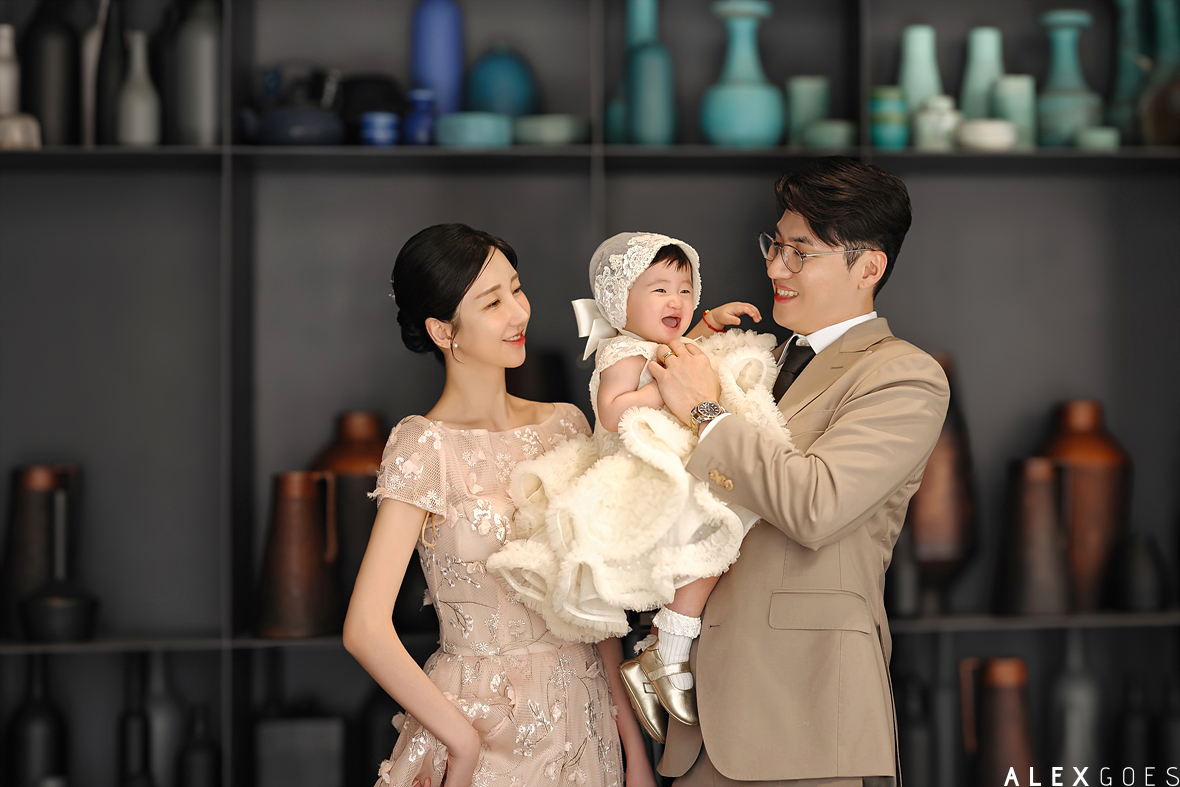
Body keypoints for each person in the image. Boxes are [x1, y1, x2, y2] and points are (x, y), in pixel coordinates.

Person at [647, 157, 951, 786]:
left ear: (868, 268)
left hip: (800, 715)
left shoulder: (903, 375)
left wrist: (704, 411)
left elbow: (816, 505)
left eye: (800, 253)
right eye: (775, 245)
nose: (774, 268)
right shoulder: (752, 356)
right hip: (696, 718)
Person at [342, 223, 655, 787]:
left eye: (517, 289)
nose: (519, 313)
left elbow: (592, 601)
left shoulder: (566, 425)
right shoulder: (424, 445)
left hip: (583, 721)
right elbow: (365, 627)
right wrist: (460, 742)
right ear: (443, 330)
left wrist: (633, 747)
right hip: (479, 725)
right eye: (492, 302)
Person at [488, 232, 789, 742]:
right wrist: (666, 391)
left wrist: (710, 324)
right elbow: (612, 410)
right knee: (709, 527)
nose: (677, 300)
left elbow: (680, 349)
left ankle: (658, 651)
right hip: (636, 469)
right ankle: (667, 649)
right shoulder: (623, 351)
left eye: (685, 290)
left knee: (716, 531)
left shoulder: (653, 344)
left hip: (667, 457)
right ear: (620, 303)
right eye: (660, 290)